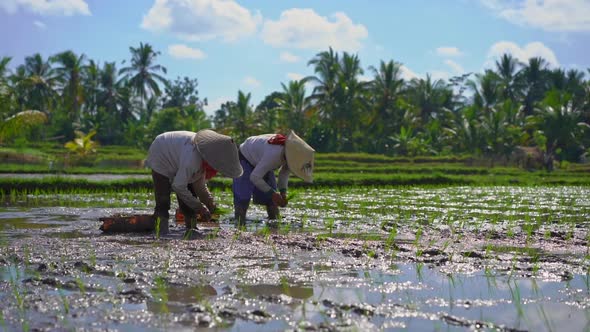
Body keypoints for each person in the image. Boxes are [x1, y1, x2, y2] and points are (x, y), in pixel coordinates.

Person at [145, 129, 243, 234]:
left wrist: (210, 205)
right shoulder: (192, 159)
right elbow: (178, 186)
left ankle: (191, 229)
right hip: (162, 151)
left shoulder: (205, 156)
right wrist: (200, 207)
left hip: (179, 152)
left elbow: (200, 188)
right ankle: (161, 231)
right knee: (163, 199)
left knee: (190, 196)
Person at [233, 130, 315, 223]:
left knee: (272, 202)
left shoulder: (290, 156)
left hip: (261, 158)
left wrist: (283, 193)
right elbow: (255, 177)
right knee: (242, 198)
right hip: (245, 156)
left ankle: (275, 225)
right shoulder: (273, 155)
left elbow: (283, 173)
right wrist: (273, 194)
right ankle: (239, 225)